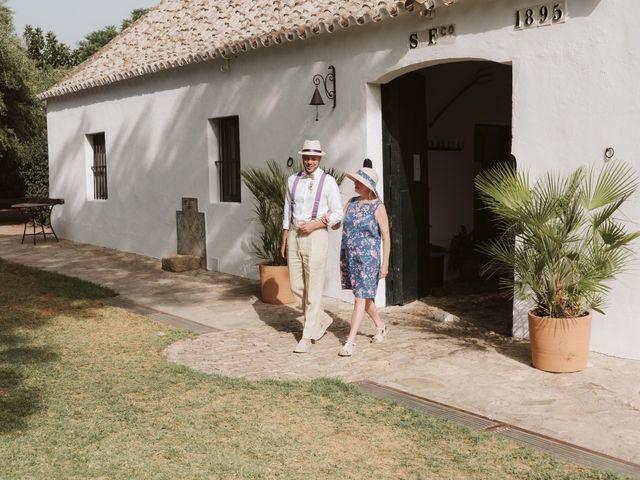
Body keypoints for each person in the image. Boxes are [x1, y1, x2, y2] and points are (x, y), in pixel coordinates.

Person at [281, 139, 344, 354]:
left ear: (320, 159)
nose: (309, 161)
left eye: (313, 158)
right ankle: (321, 318)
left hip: (317, 235)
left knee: (314, 286)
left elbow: (337, 213)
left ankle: (307, 336)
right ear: (302, 158)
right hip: (295, 234)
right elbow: (287, 207)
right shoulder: (292, 180)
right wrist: (285, 233)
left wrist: (317, 224)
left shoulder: (328, 182)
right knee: (296, 286)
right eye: (306, 157)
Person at [336, 165, 390, 357]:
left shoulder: (378, 206)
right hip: (350, 256)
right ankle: (380, 326)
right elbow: (337, 223)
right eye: (356, 181)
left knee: (359, 298)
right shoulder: (350, 202)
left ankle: (350, 342)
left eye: (359, 182)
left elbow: (386, 236)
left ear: (369, 186)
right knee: (363, 297)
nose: (356, 184)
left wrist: (385, 264)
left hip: (368, 260)